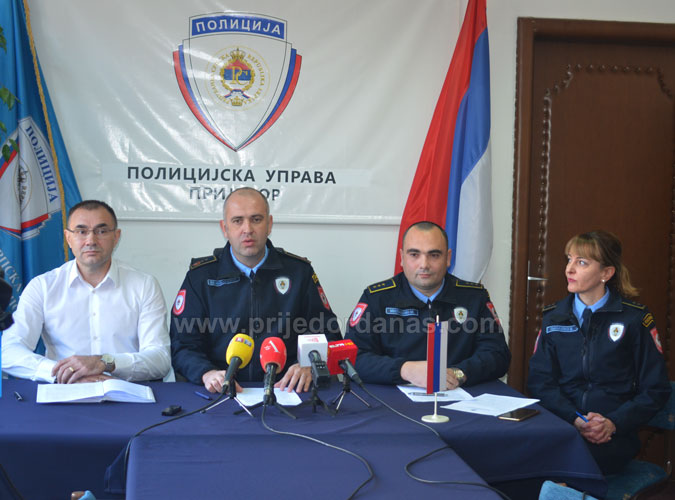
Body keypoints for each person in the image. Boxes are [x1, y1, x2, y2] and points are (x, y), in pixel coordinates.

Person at [170, 187, 341, 393]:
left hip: (287, 389)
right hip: (222, 390)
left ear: (269, 224)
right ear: (224, 228)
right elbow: (183, 344)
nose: (247, 229)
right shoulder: (200, 277)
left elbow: (329, 333)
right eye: (237, 221)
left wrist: (309, 364)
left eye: (256, 219)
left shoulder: (299, 273)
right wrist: (206, 373)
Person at [528, 230, 671, 475]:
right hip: (564, 424)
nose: (569, 269)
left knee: (566, 464)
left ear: (606, 273)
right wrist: (575, 418)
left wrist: (612, 423)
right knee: (522, 456)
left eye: (582, 262)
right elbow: (540, 382)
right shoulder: (554, 316)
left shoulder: (635, 319)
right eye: (569, 259)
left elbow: (655, 389)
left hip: (613, 434)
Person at [1, 200, 171, 383]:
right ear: (68, 238)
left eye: (101, 231)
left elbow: (160, 359)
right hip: (64, 390)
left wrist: (105, 363)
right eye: (81, 232)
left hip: (126, 391)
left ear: (116, 237)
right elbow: (8, 351)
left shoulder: (144, 285)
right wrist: (65, 373)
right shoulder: (43, 286)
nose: (91, 241)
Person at [344, 221, 510, 389]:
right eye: (414, 254)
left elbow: (498, 355)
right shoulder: (376, 298)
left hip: (460, 395)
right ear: (402, 257)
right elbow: (351, 358)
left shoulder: (474, 298)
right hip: (393, 398)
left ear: (448, 258)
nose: (424, 265)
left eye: (434, 255)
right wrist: (404, 370)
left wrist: (459, 373)